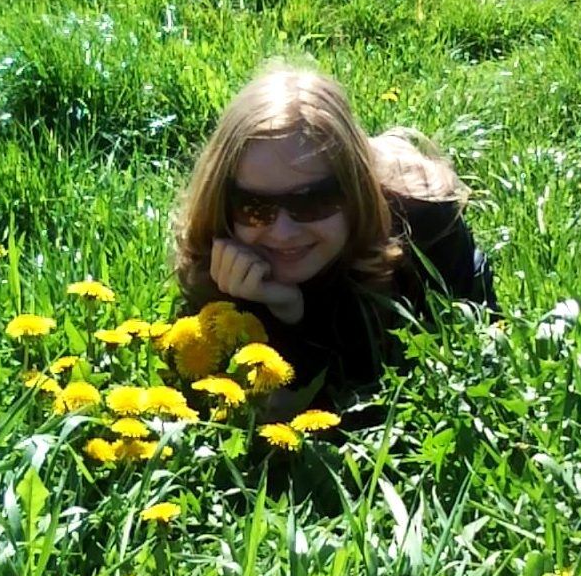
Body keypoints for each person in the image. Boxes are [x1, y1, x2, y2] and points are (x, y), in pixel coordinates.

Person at [173, 63, 496, 408]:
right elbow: (261, 408)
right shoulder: (218, 252)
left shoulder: (427, 224)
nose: (282, 232)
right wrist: (282, 312)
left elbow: (467, 363)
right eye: (255, 205)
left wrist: (299, 319)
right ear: (222, 199)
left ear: (354, 189)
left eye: (312, 200)